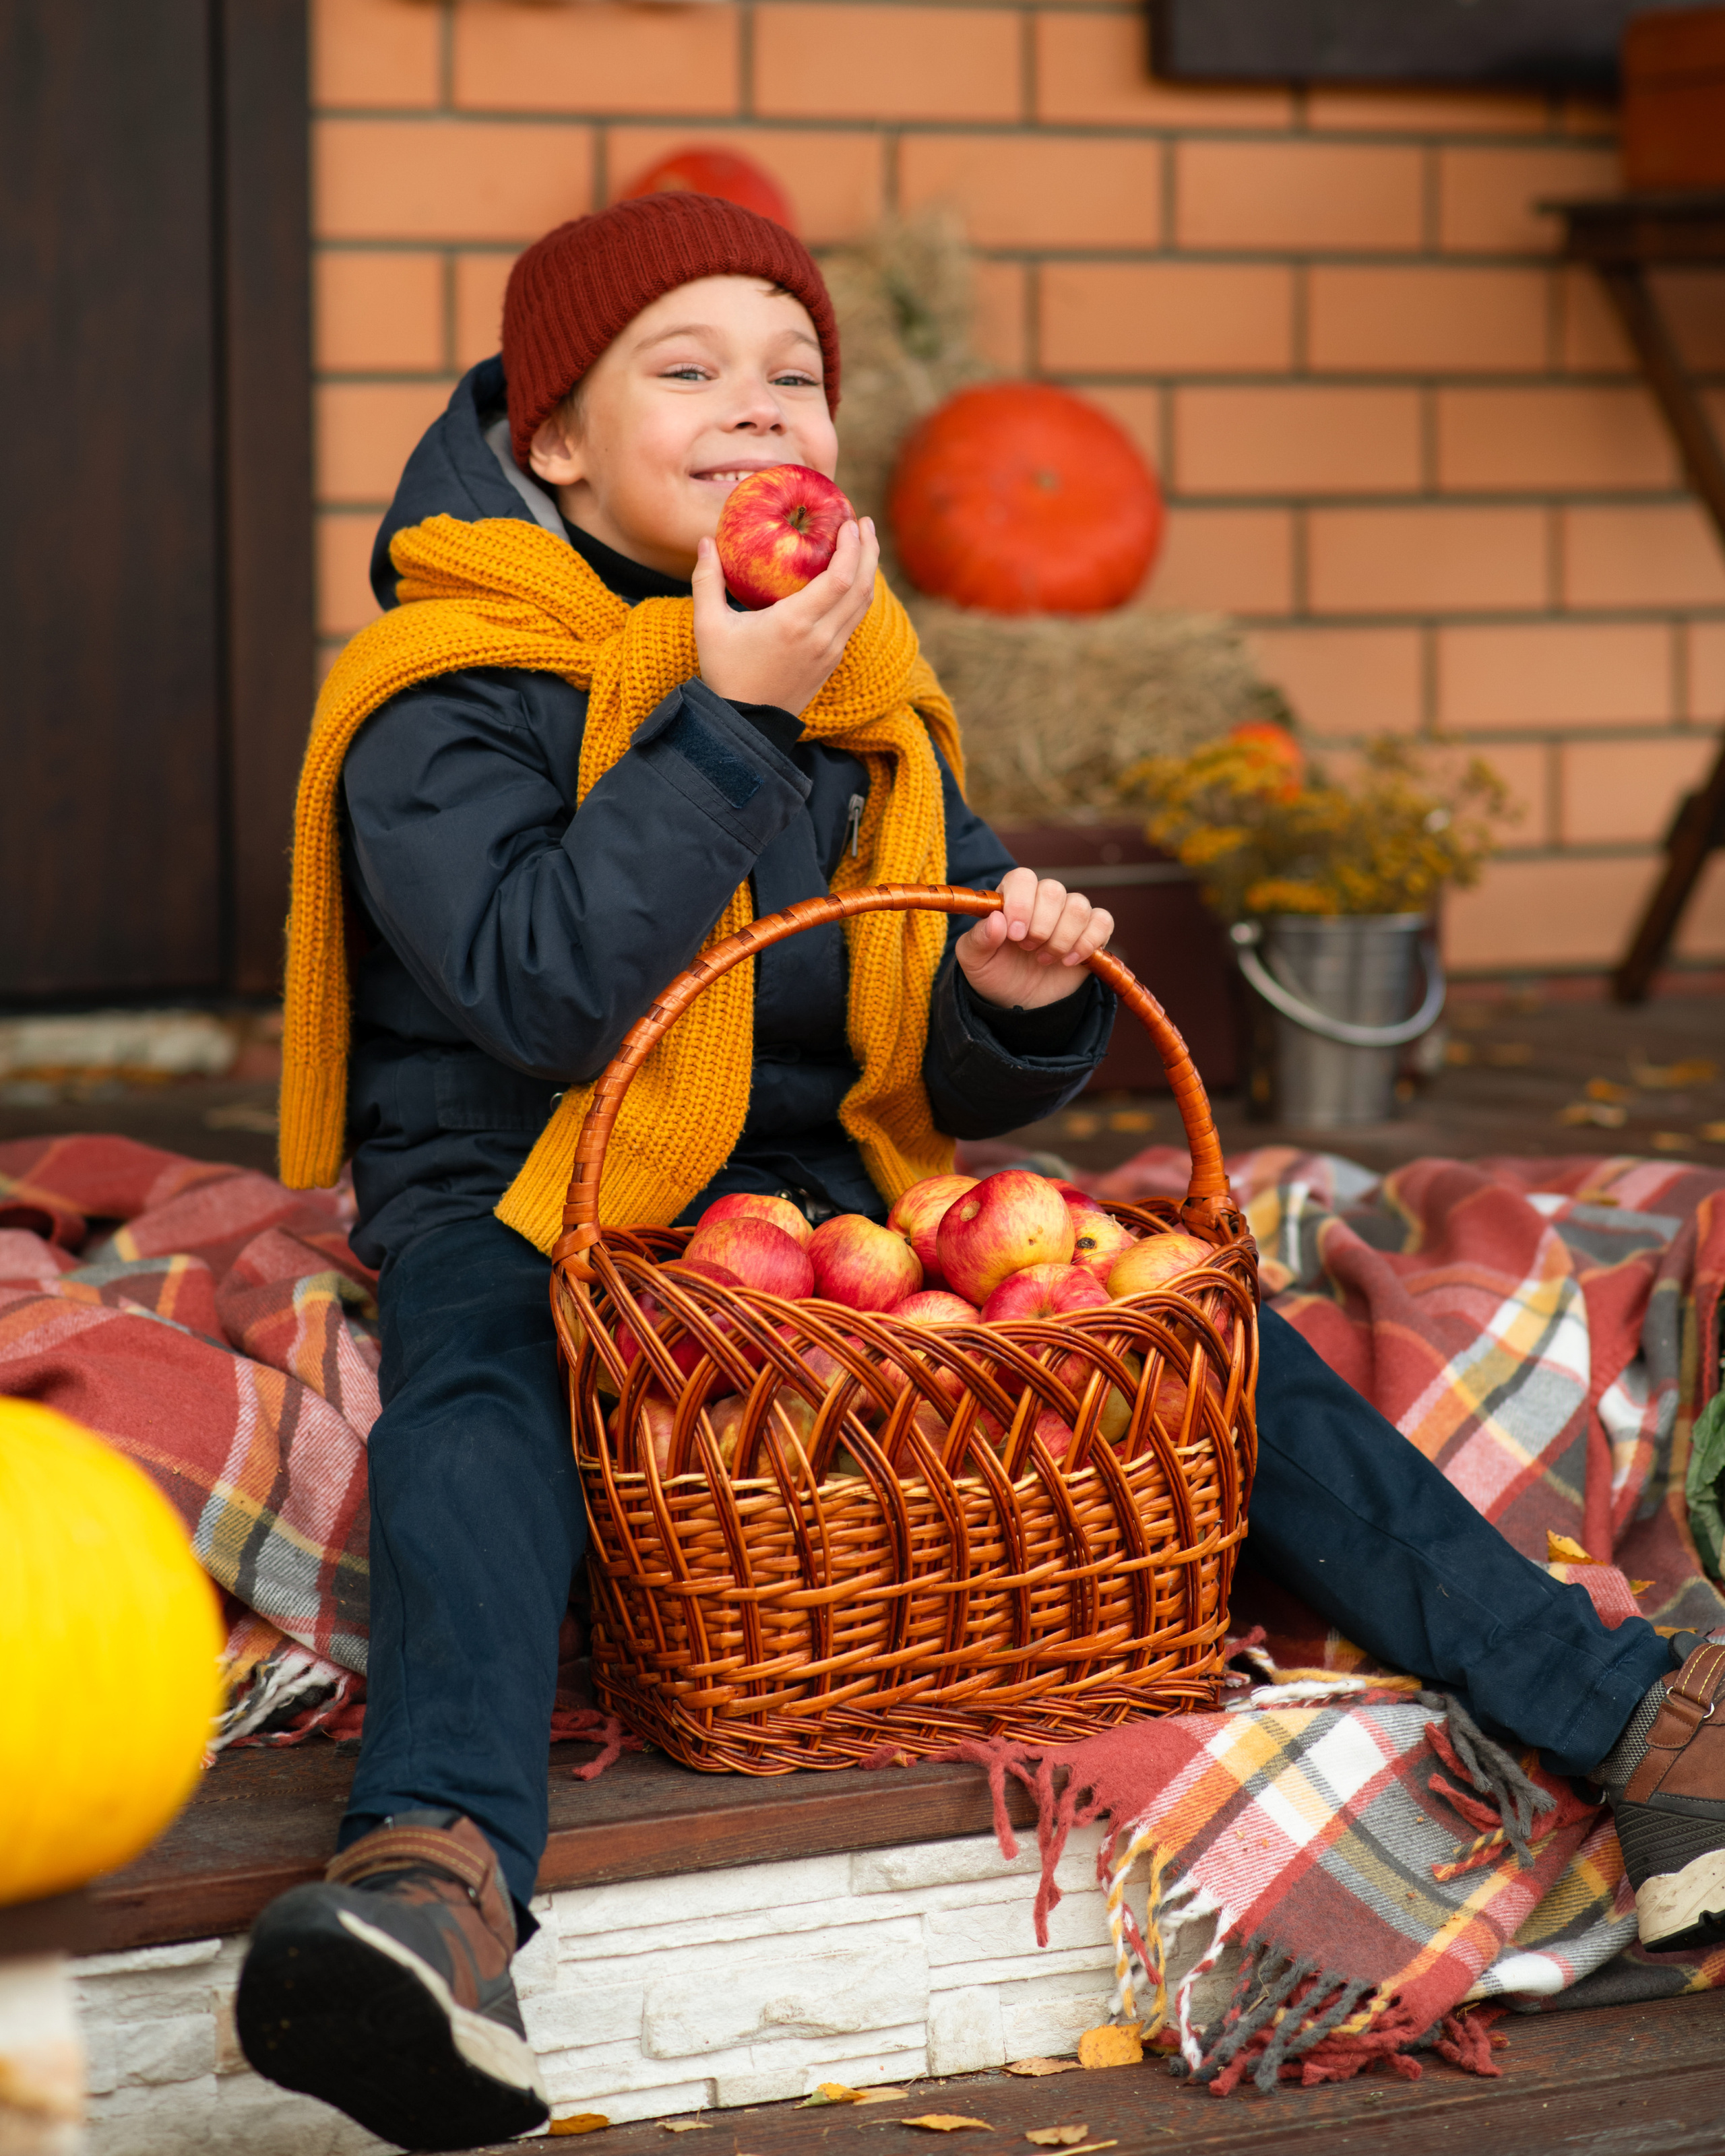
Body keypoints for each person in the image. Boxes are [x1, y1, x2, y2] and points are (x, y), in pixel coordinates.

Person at [235, 195, 1724, 2155]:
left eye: (795, 378)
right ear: (551, 439)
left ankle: (1624, 1712)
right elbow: (540, 990)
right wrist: (726, 715)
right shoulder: (445, 688)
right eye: (686, 371)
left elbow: (910, 1059)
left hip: (798, 1188)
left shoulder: (856, 680)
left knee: (1197, 1340)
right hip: (530, 1184)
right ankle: (439, 1880)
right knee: (484, 1401)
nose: (757, 411)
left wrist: (1009, 1005)